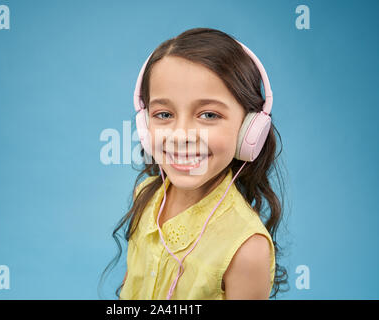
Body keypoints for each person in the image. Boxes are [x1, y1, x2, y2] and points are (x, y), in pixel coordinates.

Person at [101, 27, 289, 300]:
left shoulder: (247, 248)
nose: (181, 136)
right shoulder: (146, 194)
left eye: (209, 115)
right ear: (144, 124)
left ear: (250, 130)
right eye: (164, 114)